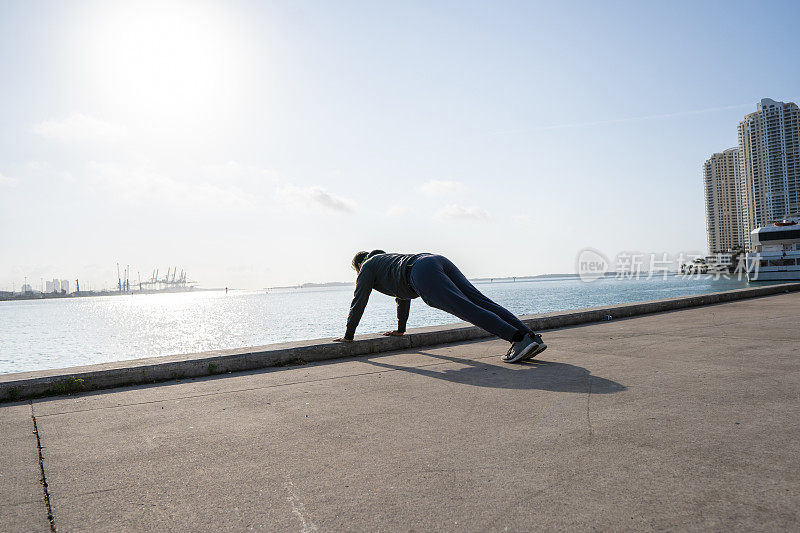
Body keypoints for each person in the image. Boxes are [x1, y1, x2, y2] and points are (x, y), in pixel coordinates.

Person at [333, 250, 547, 363]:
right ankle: (531, 337)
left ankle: (518, 340)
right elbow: (402, 296)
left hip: (420, 272)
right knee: (480, 302)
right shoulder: (385, 260)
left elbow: (358, 300)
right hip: (433, 259)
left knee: (466, 308)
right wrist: (401, 329)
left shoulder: (367, 267)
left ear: (357, 266)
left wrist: (348, 335)